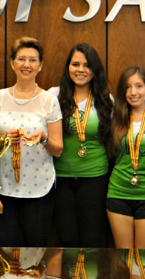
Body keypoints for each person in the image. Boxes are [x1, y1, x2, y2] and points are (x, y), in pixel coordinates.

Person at [0, 36, 63, 247]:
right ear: (12, 63)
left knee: (34, 253)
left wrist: (43, 139)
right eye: (21, 59)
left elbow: (58, 149)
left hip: (39, 187)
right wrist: (4, 139)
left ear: (40, 66)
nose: (27, 65)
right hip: (4, 187)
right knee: (6, 252)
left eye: (33, 60)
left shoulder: (49, 100)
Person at [49, 43, 114, 247]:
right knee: (67, 238)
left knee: (92, 238)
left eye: (87, 65)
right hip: (61, 177)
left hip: (95, 176)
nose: (80, 70)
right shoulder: (54, 95)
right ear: (68, 67)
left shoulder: (105, 99)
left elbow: (116, 136)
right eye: (75, 64)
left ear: (94, 69)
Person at [106, 66, 145, 249]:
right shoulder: (115, 117)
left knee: (144, 260)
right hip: (119, 192)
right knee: (125, 258)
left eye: (139, 86)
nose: (133, 92)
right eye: (127, 87)